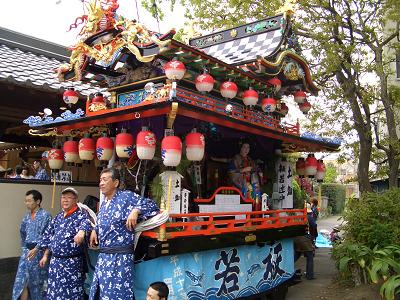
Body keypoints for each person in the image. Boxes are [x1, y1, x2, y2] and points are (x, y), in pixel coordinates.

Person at [89, 167, 160, 300]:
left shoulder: (126, 197)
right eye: (100, 180)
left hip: (120, 258)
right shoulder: (104, 203)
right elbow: (103, 220)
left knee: (118, 294)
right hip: (104, 257)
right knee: (101, 293)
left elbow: (152, 206)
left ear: (115, 183)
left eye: (105, 179)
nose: (101, 183)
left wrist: (136, 210)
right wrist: (95, 229)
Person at [31, 187, 92, 299]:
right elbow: (48, 235)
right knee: (54, 292)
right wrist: (42, 253)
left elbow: (87, 223)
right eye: (63, 197)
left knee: (71, 293)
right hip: (55, 262)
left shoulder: (81, 214)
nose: (65, 200)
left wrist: (82, 232)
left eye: (69, 197)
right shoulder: (58, 217)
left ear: (76, 200)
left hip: (71, 263)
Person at [12, 190, 52, 300]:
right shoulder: (26, 217)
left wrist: (40, 250)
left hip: (39, 253)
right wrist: (24, 247)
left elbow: (48, 235)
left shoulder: (46, 216)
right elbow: (23, 233)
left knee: (38, 283)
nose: (27, 203)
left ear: (38, 201)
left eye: (29, 201)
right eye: (26, 201)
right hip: (27, 253)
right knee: (21, 282)